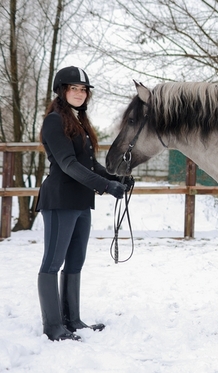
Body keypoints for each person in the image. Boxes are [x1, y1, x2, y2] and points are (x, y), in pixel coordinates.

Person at [36, 66, 133, 341]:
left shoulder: (78, 122)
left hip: (81, 201)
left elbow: (87, 164)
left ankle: (73, 320)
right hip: (59, 200)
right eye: (73, 88)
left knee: (75, 262)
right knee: (52, 263)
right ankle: (53, 326)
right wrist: (105, 186)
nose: (79, 93)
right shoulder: (54, 121)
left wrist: (117, 178)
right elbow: (67, 164)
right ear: (62, 90)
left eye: (83, 89)